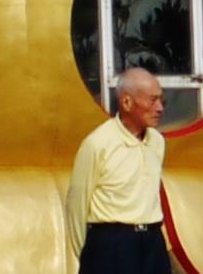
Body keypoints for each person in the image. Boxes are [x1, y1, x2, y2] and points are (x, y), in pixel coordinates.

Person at [63, 63, 170, 274]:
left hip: (152, 245)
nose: (160, 108)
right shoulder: (98, 144)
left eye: (161, 100)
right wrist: (91, 254)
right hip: (111, 246)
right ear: (126, 102)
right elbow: (77, 204)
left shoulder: (157, 142)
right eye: (152, 100)